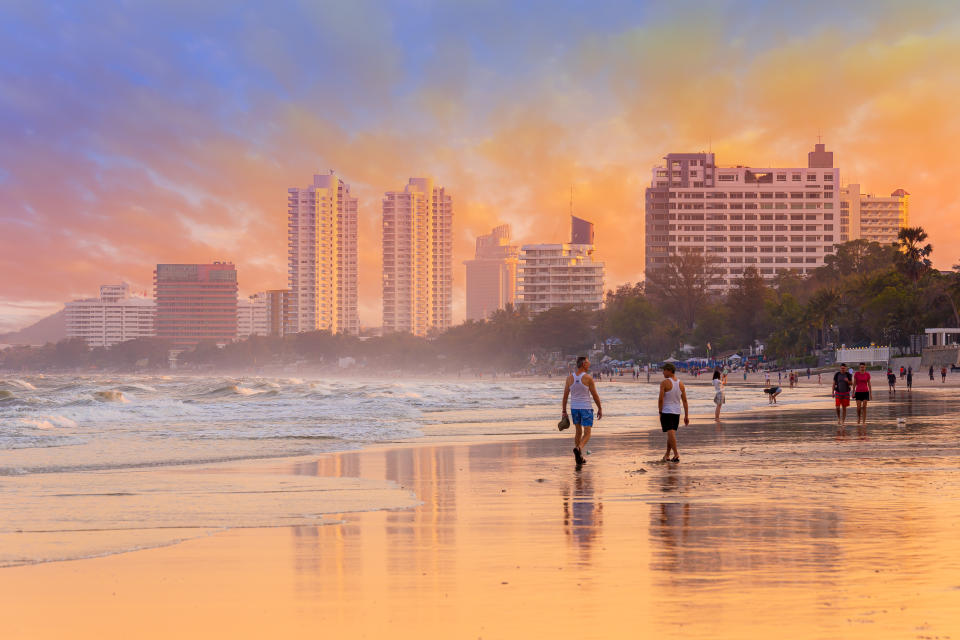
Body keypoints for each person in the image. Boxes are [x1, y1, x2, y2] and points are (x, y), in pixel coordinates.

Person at [562, 356, 603, 465]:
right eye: (588, 362)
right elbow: (595, 395)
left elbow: (565, 396)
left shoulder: (569, 378)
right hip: (586, 408)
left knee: (578, 432)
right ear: (584, 364)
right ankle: (579, 448)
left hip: (574, 408)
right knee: (587, 433)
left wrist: (564, 411)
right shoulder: (588, 378)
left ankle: (578, 458)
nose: (589, 363)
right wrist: (600, 408)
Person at [658, 363, 689, 463]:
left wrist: (660, 411)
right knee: (670, 433)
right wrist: (686, 415)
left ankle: (676, 453)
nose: (663, 372)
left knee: (670, 433)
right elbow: (684, 401)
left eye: (664, 370)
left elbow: (661, 399)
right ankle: (667, 455)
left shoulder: (664, 383)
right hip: (677, 412)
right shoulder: (681, 383)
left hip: (667, 411)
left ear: (669, 371)